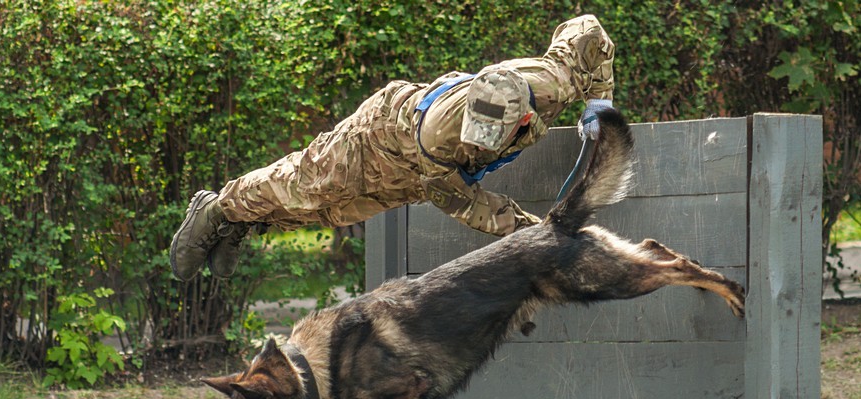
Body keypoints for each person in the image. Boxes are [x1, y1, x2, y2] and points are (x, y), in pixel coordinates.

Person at [170, 15, 615, 282]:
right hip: (380, 139)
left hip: (414, 176)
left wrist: (601, 100)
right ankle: (222, 210)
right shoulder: (443, 140)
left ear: (522, 117)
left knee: (331, 213)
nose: (473, 142)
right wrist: (543, 234)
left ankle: (244, 223)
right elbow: (474, 207)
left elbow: (588, 33)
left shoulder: (550, 83)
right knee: (307, 185)